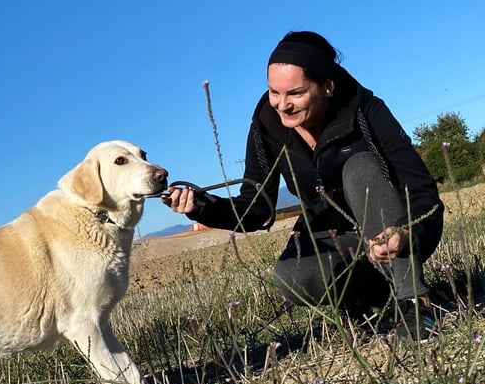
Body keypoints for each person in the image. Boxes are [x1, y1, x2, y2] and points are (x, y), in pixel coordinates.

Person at [162, 31, 444, 341]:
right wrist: (202, 207)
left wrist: (407, 232)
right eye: (274, 92)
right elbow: (256, 210)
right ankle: (362, 301)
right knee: (291, 276)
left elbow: (422, 191)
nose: (282, 105)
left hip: (398, 231)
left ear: (327, 86)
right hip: (338, 237)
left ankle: (415, 302)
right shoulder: (266, 125)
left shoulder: (366, 109)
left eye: (295, 93)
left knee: (359, 167)